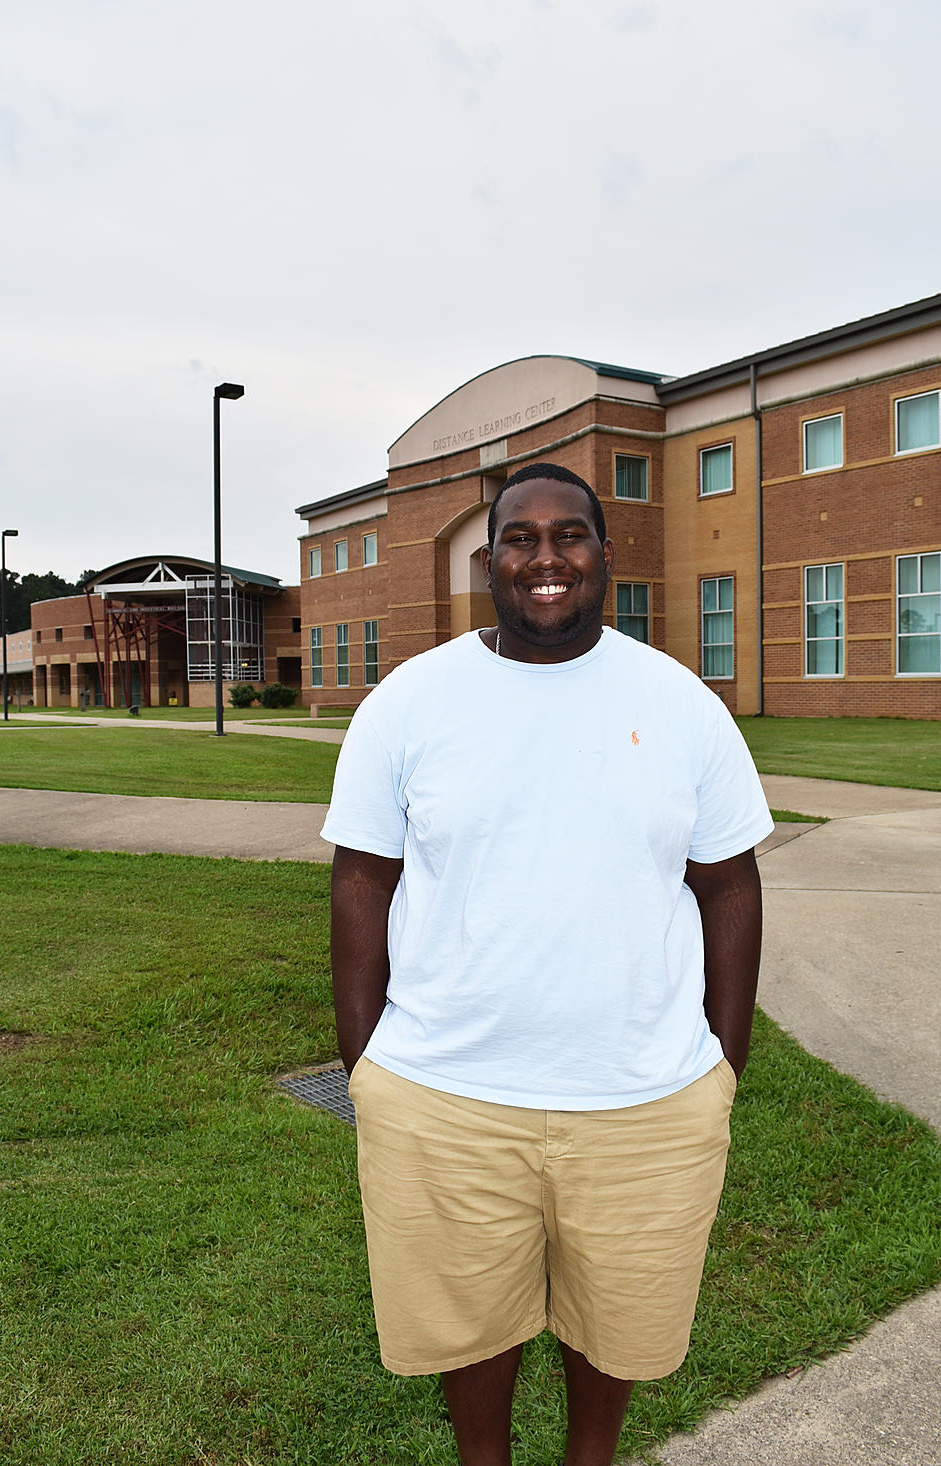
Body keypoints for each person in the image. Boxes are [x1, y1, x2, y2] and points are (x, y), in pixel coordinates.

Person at [321, 462, 773, 1466]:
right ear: (489, 560)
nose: (544, 558)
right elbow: (362, 879)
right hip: (444, 1093)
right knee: (465, 1324)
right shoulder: (410, 702)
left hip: (645, 1098)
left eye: (567, 534)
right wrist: (366, 1061)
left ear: (604, 555)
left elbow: (728, 882)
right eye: (518, 538)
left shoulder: (678, 702)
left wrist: (719, 1060)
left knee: (615, 1324)